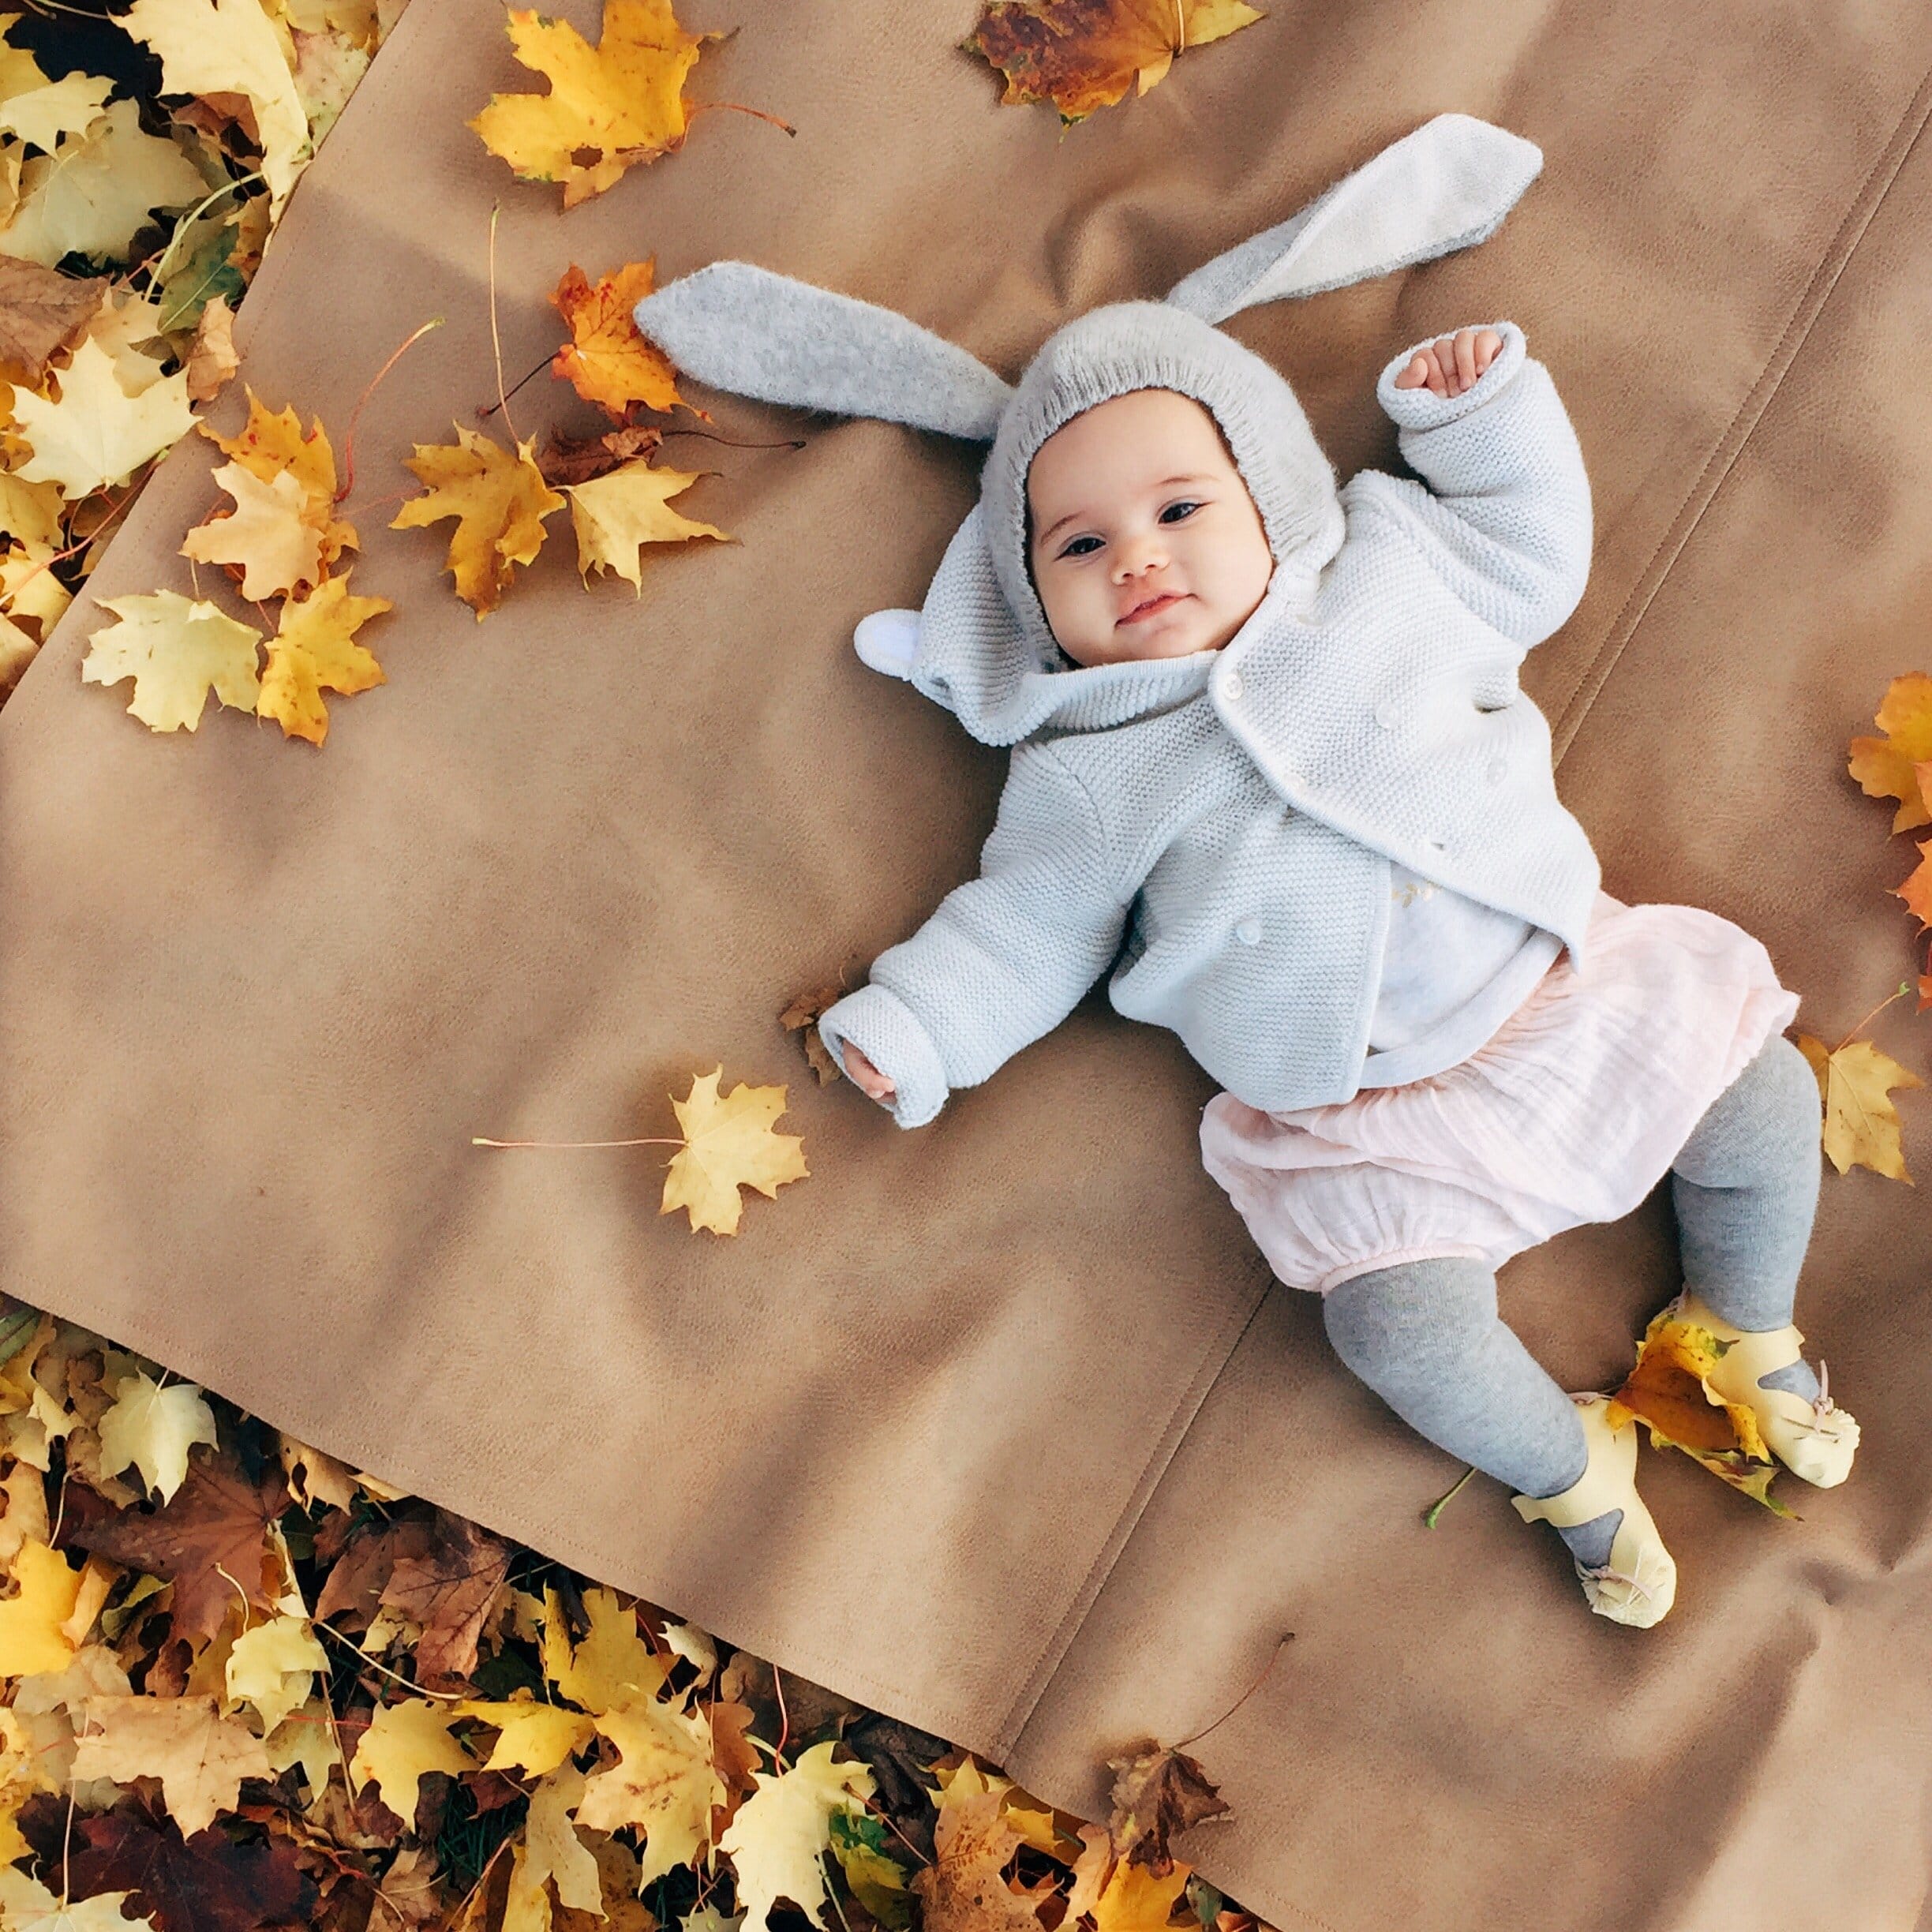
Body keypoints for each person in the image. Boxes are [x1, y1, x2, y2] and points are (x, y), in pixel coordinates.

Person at [630, 114, 1861, 1631]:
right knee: (1396, 1327)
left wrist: (1477, 426)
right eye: (1077, 545)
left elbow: (1529, 553)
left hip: (1565, 986)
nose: (1135, 556)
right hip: (1363, 1116)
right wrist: (923, 1025)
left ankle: (1742, 1320)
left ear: (1274, 496)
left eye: (1180, 508)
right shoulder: (1084, 765)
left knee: (1763, 1099)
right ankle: (1568, 1464)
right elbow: (1028, 924)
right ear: (1035, 606)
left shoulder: (1390, 583)